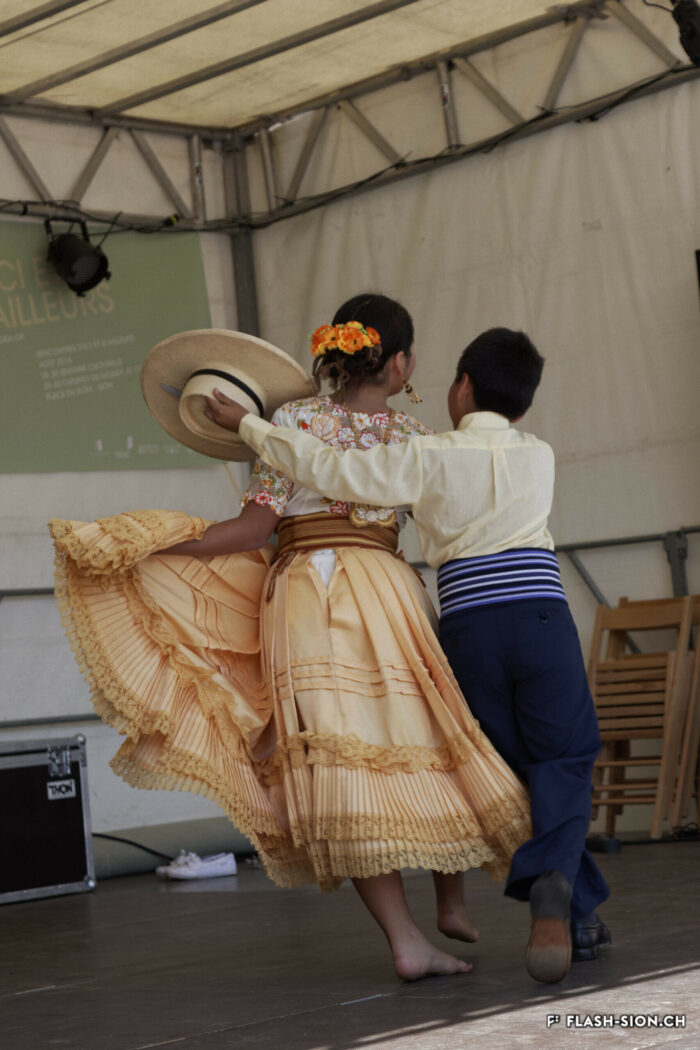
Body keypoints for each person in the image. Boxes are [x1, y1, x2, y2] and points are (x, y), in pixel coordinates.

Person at [51, 296, 532, 983]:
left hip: (307, 595)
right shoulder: (416, 434)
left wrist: (159, 548)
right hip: (390, 591)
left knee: (346, 766)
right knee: (432, 736)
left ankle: (405, 938)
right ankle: (448, 897)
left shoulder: (293, 421)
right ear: (400, 362)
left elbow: (250, 532)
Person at [205, 325, 611, 984]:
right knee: (562, 760)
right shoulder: (539, 453)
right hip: (540, 616)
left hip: (471, 626)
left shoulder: (429, 455)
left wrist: (252, 425)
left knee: (497, 774)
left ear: (462, 387)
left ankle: (573, 906)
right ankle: (560, 898)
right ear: (524, 406)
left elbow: (332, 470)